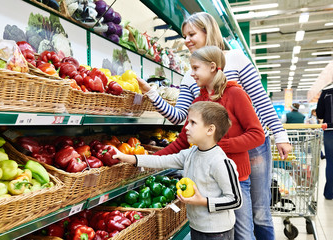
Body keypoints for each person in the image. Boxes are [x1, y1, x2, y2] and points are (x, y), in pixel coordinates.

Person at [137, 12, 292, 240]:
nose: (187, 40)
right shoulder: (191, 77)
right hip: (218, 154)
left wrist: (280, 134)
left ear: (208, 31)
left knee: (259, 212)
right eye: (184, 36)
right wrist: (151, 93)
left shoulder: (236, 58)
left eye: (192, 34)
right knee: (238, 215)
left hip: (252, 146)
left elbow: (259, 100)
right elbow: (180, 117)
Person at [155, 45, 265, 239]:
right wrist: (151, 159)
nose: (192, 73)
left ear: (213, 66)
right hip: (205, 182)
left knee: (244, 234)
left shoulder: (235, 95)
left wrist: (219, 147)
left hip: (236, 178)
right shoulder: (199, 101)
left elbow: (257, 134)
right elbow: (182, 141)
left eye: (195, 68)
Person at [114, 101, 242, 240]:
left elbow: (236, 200)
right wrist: (128, 157)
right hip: (196, 226)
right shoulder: (191, 153)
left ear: (210, 130)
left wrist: (203, 201)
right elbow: (161, 161)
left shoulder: (220, 162)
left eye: (193, 123)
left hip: (218, 232)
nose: (186, 127)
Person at [316, 83, 333, 200]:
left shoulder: (326, 92)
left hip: (330, 130)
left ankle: (329, 193)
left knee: (331, 163)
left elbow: (320, 114)